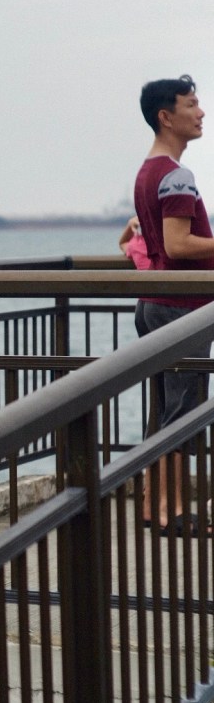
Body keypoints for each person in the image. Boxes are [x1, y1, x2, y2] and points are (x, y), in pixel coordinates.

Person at [134, 74, 213, 533]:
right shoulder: (177, 175)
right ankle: (171, 511)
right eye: (191, 104)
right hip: (181, 305)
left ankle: (153, 504)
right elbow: (177, 244)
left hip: (154, 301)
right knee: (184, 413)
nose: (201, 113)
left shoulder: (148, 170)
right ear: (166, 117)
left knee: (165, 409)